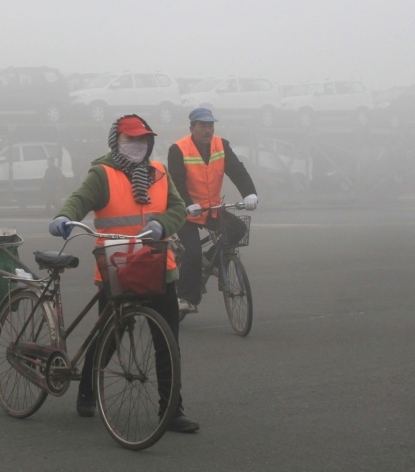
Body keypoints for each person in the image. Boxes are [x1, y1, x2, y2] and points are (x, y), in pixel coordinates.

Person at [48, 114, 199, 433]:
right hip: (116, 267)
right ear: (117, 142)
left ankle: (171, 411)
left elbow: (177, 209)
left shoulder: (159, 173)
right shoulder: (102, 174)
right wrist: (63, 217)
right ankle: (87, 389)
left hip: (160, 268)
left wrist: (161, 225)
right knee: (109, 336)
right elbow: (79, 201)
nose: (138, 146)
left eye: (143, 140)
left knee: (167, 342)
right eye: (131, 140)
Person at [167, 107, 258, 315]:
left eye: (210, 126)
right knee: (191, 252)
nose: (207, 130)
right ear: (192, 128)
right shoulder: (178, 149)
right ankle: (186, 298)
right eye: (202, 126)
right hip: (185, 210)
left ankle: (210, 258)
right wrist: (187, 203)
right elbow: (176, 182)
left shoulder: (221, 145)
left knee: (238, 229)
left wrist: (249, 193)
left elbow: (237, 170)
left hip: (212, 209)